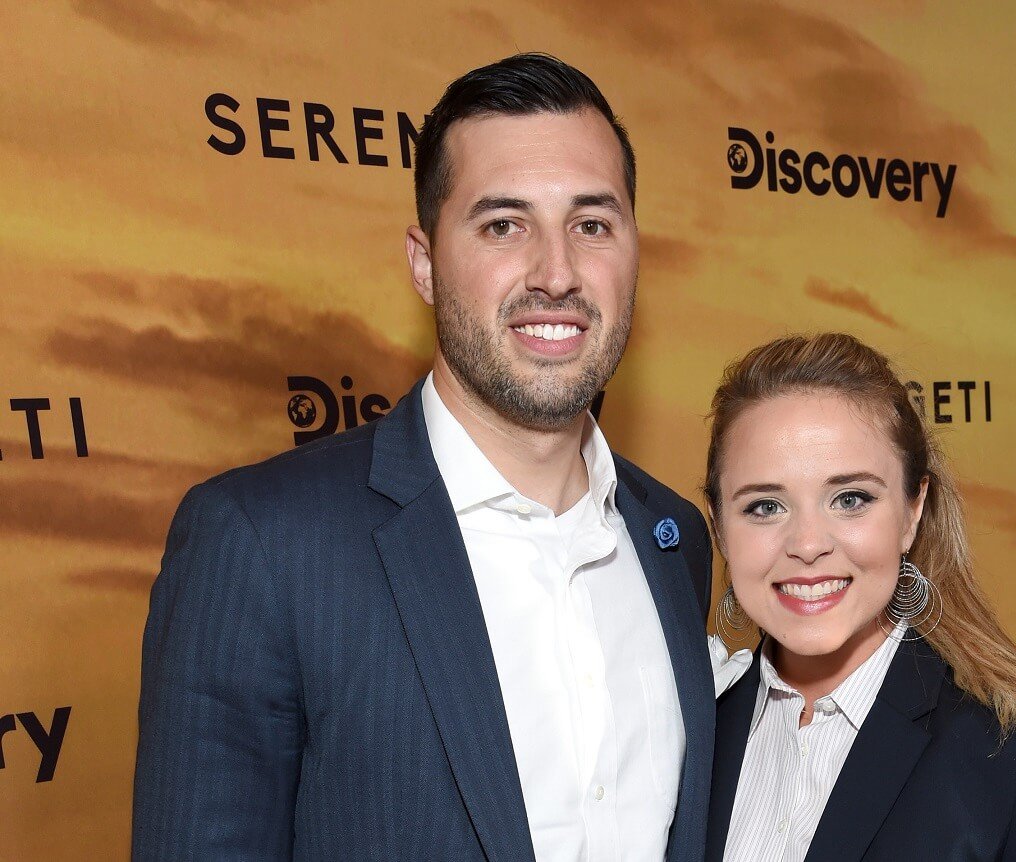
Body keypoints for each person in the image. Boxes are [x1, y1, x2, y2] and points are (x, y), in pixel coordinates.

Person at [132, 53, 714, 861]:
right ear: (425, 263)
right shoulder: (263, 544)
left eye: (592, 224)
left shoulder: (675, 538)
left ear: (634, 252)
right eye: (503, 225)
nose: (557, 273)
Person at [703, 333, 1016, 861]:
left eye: (850, 499)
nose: (807, 545)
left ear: (913, 510)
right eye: (764, 507)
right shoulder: (688, 728)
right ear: (718, 527)